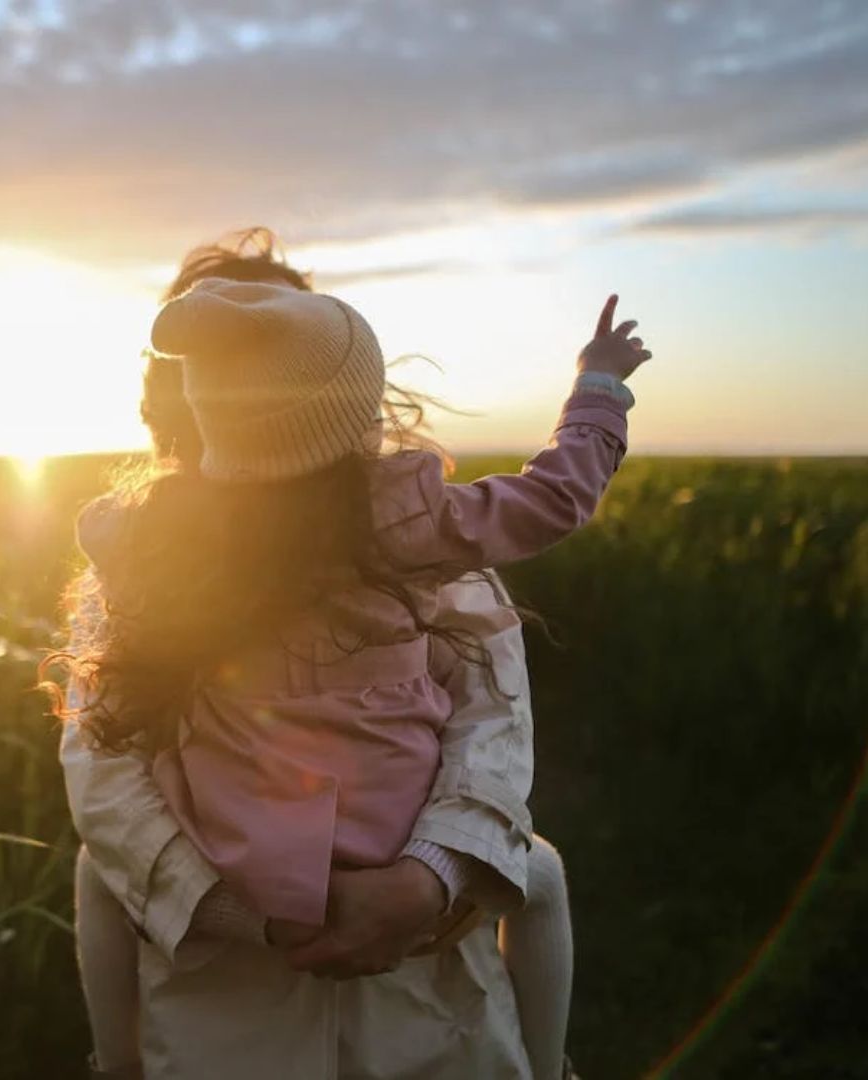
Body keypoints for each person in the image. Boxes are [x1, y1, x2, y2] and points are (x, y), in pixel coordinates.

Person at [58, 230, 647, 1078]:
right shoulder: (415, 527)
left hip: (428, 987)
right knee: (540, 872)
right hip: (219, 994)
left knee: (96, 879)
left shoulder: (151, 544)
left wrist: (427, 879)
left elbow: (492, 719)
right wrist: (597, 392)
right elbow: (103, 764)